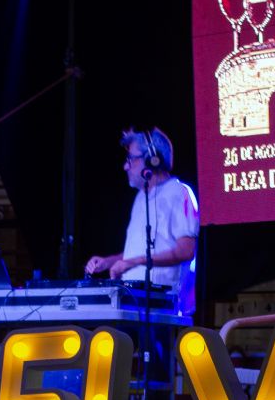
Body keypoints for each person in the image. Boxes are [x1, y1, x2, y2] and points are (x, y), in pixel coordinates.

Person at [85, 127, 199, 315]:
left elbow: (186, 251)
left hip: (165, 308)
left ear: (152, 159)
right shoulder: (141, 197)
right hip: (135, 302)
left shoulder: (179, 193)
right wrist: (109, 261)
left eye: (131, 159)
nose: (126, 166)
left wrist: (135, 262)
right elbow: (142, 252)